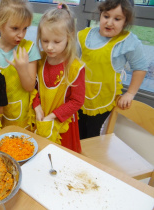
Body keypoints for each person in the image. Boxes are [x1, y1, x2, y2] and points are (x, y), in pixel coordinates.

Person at [77, 0, 148, 139]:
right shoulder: (85, 35)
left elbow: (140, 68)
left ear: (125, 21)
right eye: (106, 16)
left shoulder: (128, 41)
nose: (109, 22)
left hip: (105, 99)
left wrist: (130, 93)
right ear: (100, 15)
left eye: (117, 19)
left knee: (93, 137)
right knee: (77, 132)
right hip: (80, 96)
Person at [32, 3, 85, 153]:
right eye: (45, 41)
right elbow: (33, 88)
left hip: (63, 124)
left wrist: (53, 116)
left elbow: (77, 101)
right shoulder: (40, 59)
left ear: (69, 38)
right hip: (41, 118)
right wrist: (36, 106)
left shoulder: (75, 67)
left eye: (56, 42)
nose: (49, 47)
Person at [0, 0, 41, 128]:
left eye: (25, 28)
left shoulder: (29, 49)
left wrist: (22, 69)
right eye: (15, 28)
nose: (21, 34)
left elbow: (30, 87)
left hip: (17, 115)